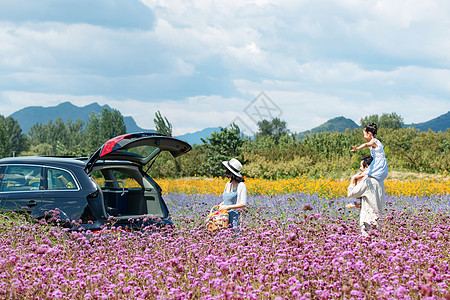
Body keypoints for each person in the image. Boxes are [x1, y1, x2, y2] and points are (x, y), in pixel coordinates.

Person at [348, 155, 386, 236]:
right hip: (378, 219)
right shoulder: (380, 181)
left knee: (367, 244)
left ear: (367, 167)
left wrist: (353, 179)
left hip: (368, 221)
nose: (360, 170)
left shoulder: (367, 182)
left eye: (361, 167)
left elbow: (351, 194)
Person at [218, 158, 247, 231]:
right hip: (224, 217)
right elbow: (228, 199)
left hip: (234, 218)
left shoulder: (241, 185)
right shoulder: (228, 184)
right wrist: (222, 204)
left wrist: (228, 207)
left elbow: (243, 204)